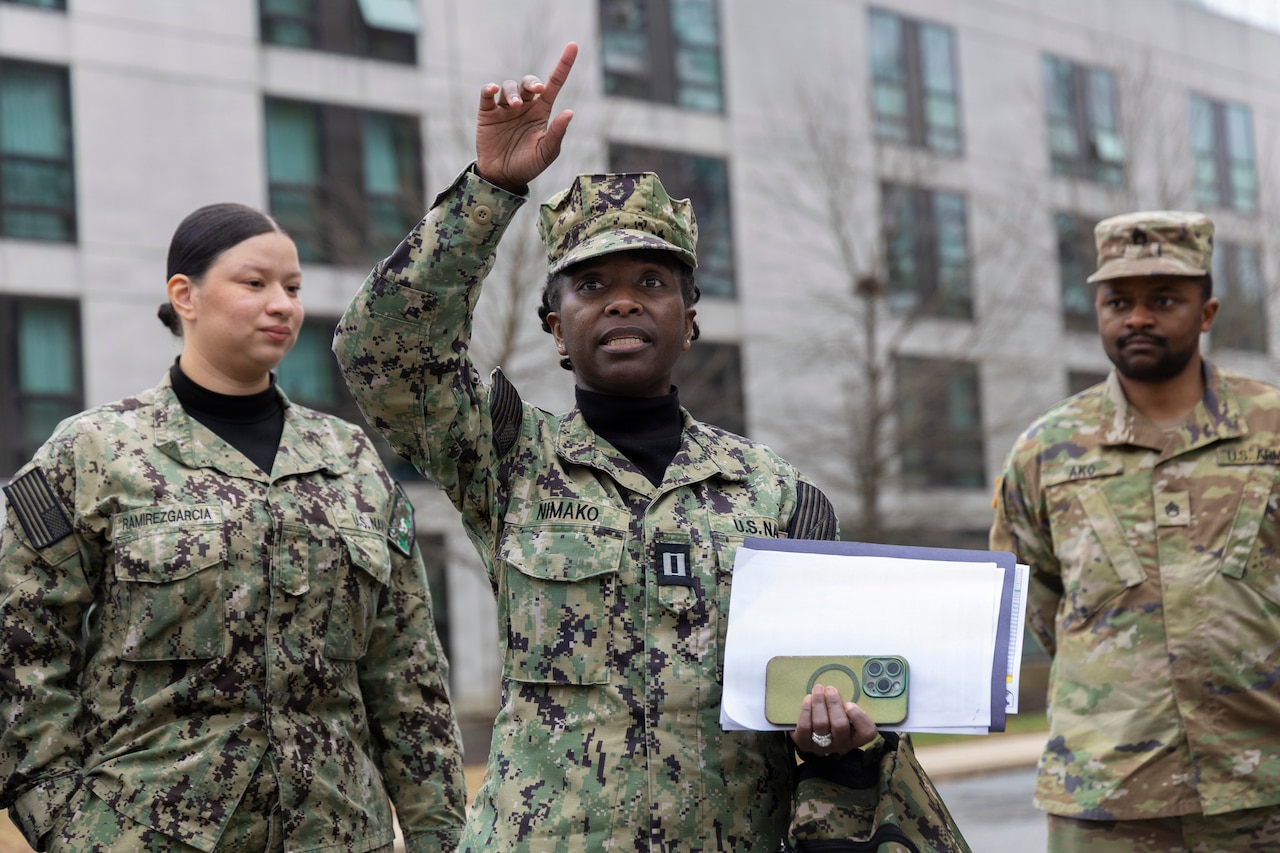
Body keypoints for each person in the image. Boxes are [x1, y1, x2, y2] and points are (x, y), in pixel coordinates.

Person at [333, 42, 965, 852]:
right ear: (557, 330)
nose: (624, 301)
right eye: (592, 286)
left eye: (653, 282)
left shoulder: (781, 498)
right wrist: (491, 190)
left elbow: (826, 714)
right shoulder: (508, 457)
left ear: (691, 319)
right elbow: (382, 353)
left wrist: (832, 740)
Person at [0, 203, 466, 852]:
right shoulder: (93, 453)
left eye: (295, 288)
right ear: (184, 295)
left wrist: (438, 834)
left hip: (337, 836)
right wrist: (68, 826)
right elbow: (21, 649)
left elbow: (407, 672)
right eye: (255, 283)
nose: (283, 305)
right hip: (147, 834)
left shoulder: (351, 462)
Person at [991, 210, 1280, 851]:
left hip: (1264, 787)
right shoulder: (1048, 448)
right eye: (1118, 301)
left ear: (1206, 312)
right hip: (1106, 794)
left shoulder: (1271, 427)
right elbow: (1032, 601)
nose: (1138, 318)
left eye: (1164, 300)